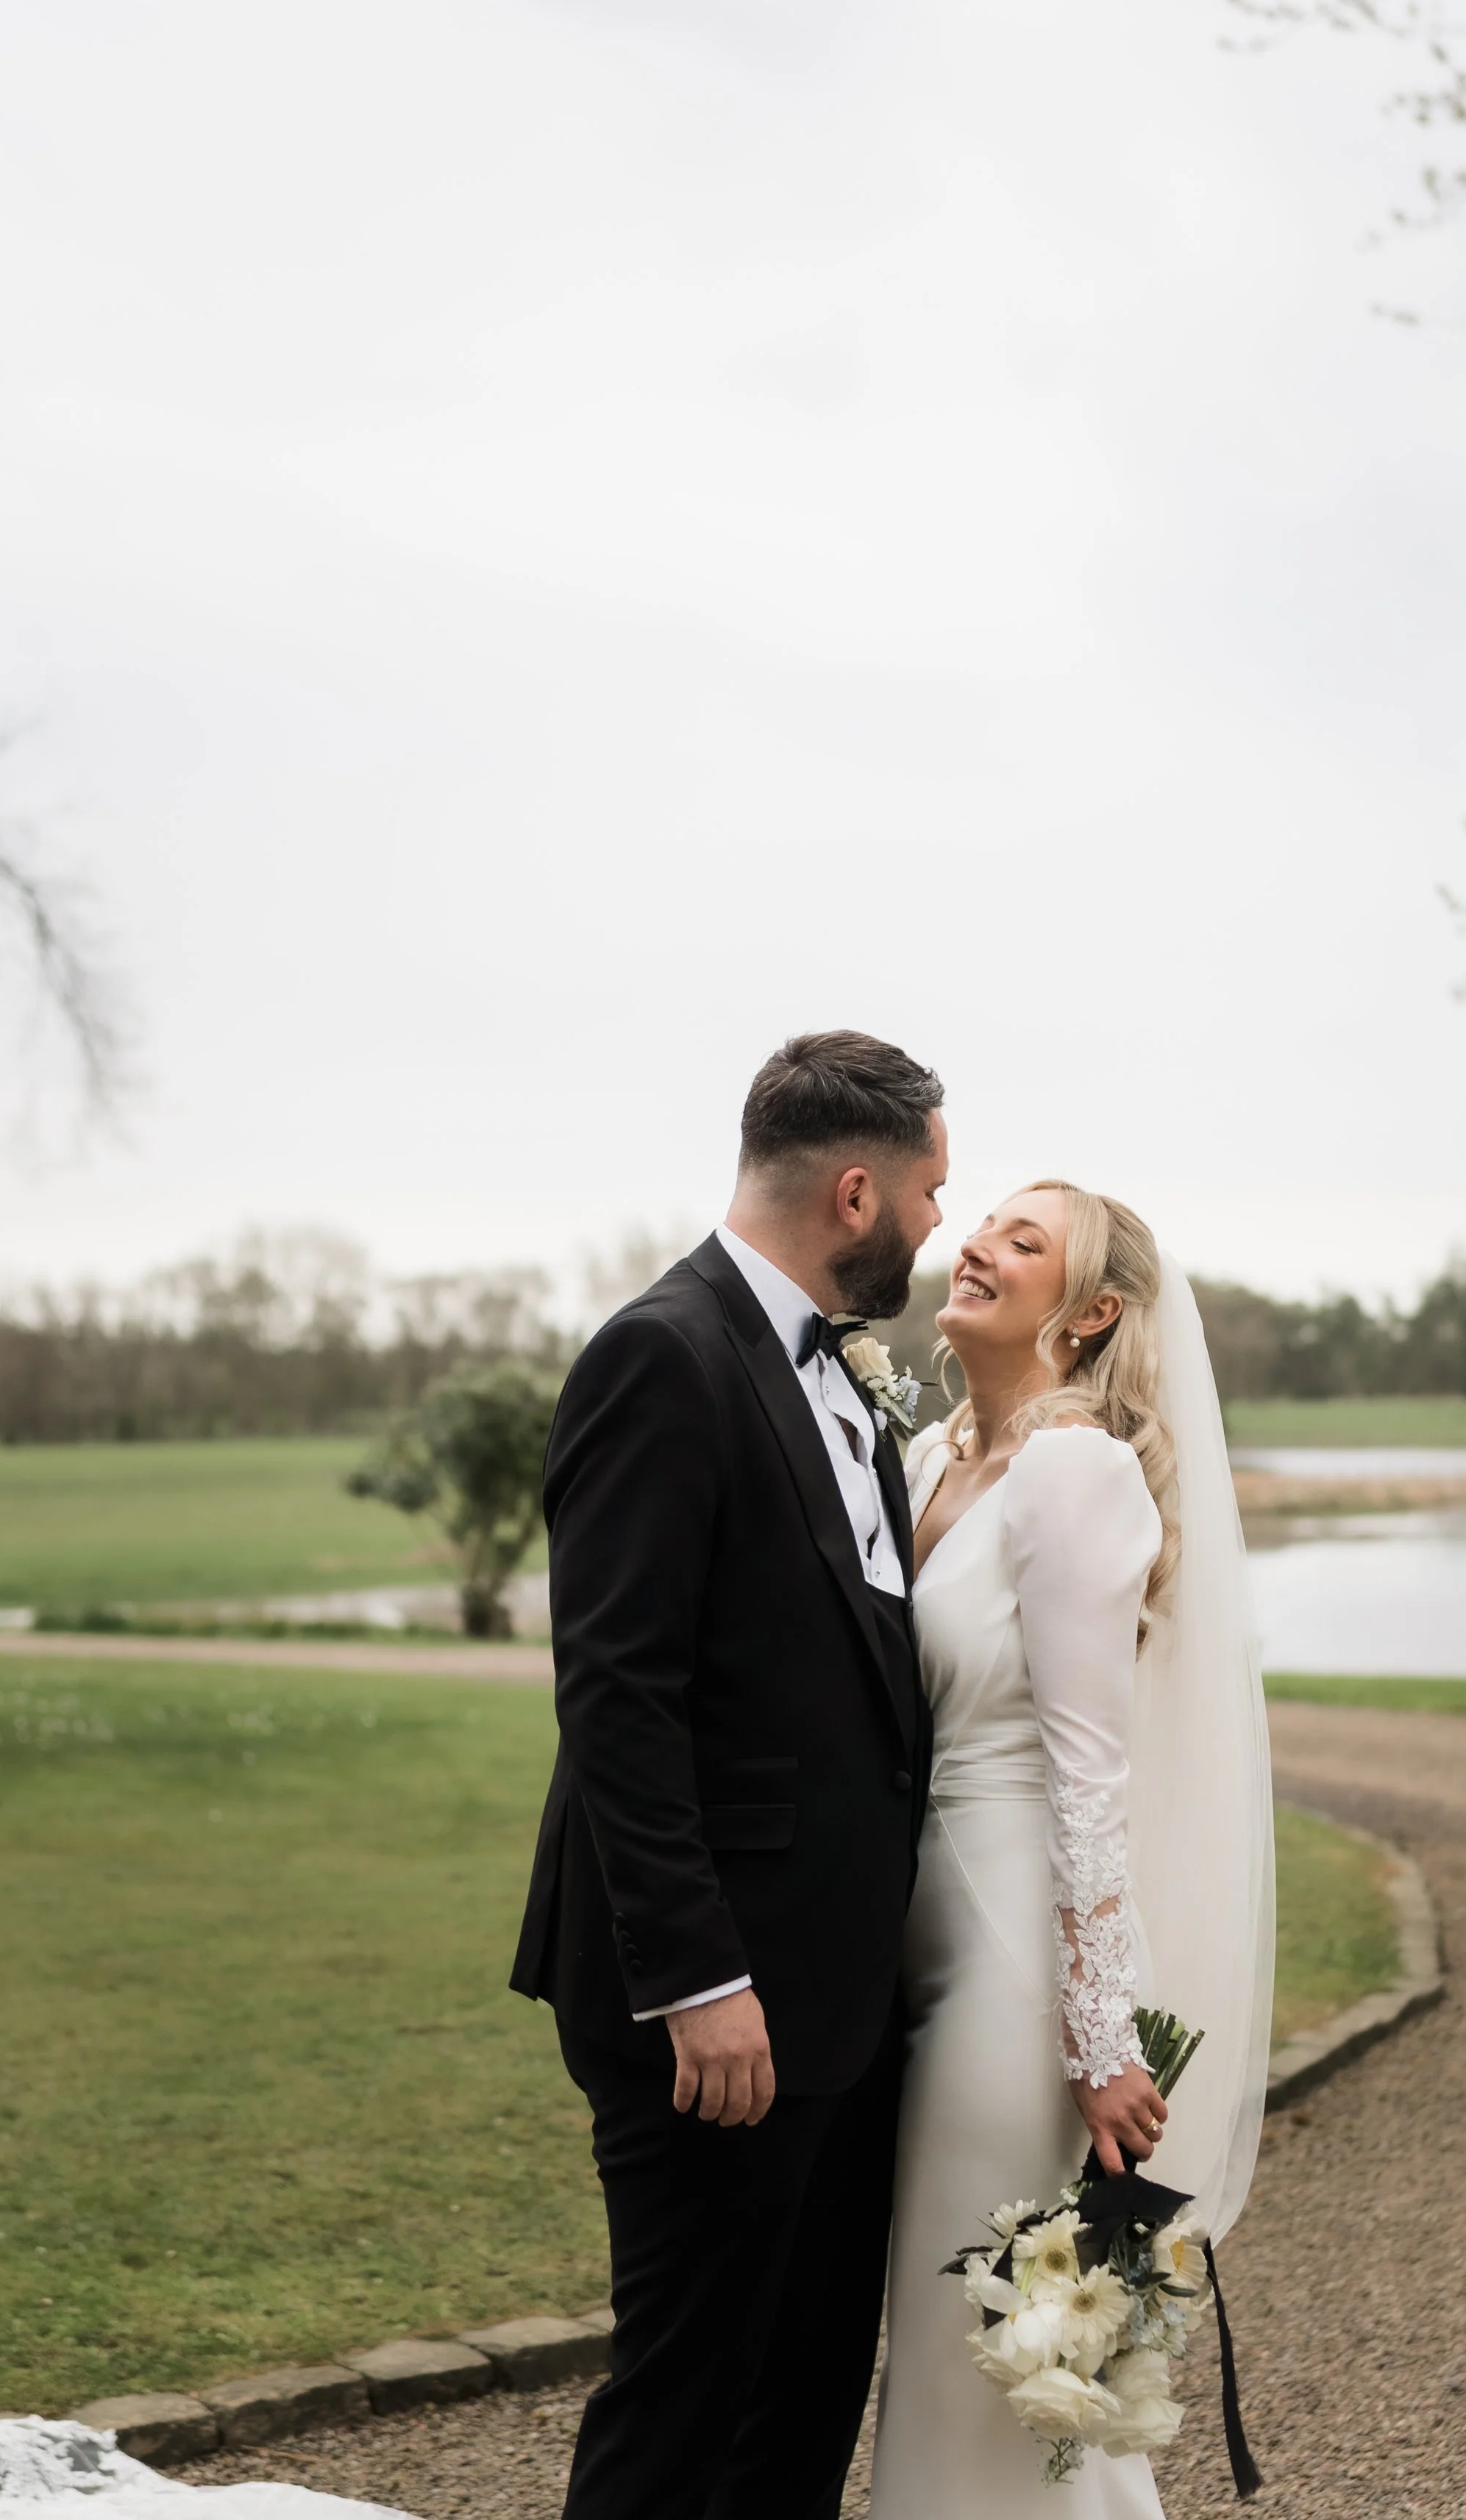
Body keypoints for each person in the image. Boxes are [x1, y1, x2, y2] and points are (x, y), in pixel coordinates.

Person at [510, 1029, 947, 2520]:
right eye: (928, 1194)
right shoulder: (664, 1353)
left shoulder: (837, 1377)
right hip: (716, 2009)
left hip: (836, 2002)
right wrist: (695, 1979)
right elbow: (618, 1695)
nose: (937, 1226)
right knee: (685, 2403)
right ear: (851, 1194)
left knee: (801, 2399)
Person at [869, 1182, 1275, 2518]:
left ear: (1094, 1313)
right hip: (903, 1946)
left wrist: (1101, 2037)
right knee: (941, 2352)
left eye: (1022, 1240)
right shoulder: (932, 1460)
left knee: (977, 2354)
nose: (975, 1243)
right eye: (980, 1221)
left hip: (1008, 1967)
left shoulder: (1076, 1470)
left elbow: (1090, 1782)